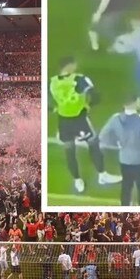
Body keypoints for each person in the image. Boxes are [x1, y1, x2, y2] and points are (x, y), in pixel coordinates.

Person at [49, 55, 121, 193]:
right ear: (70, 65)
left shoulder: (52, 82)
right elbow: (96, 97)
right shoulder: (79, 79)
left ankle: (77, 180)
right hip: (80, 120)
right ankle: (102, 175)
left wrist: (54, 109)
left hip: (63, 121)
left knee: (69, 151)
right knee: (93, 144)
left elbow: (45, 101)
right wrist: (88, 106)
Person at [98, 94, 140, 206]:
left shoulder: (115, 119)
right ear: (134, 104)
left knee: (126, 188)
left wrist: (116, 144)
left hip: (124, 159)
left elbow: (103, 136)